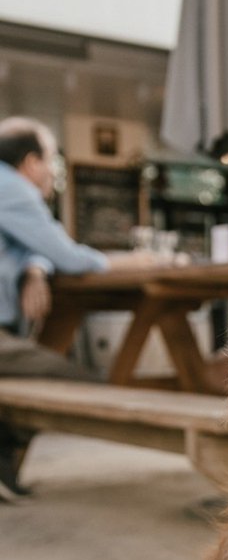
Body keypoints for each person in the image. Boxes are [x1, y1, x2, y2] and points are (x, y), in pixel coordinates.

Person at [0, 116, 156, 503]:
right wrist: (133, 262)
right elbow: (69, 257)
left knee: (39, 375)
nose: (54, 170)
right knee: (71, 380)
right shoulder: (13, 188)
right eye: (53, 159)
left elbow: (31, 245)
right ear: (32, 162)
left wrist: (34, 266)